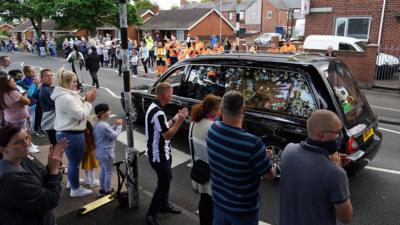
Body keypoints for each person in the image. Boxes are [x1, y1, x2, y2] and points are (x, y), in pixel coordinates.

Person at [207, 91, 276, 225]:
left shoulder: (213, 129)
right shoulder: (253, 144)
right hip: (243, 211)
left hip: (219, 203)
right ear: (244, 109)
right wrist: (267, 159)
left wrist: (258, 155)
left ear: (221, 109)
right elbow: (270, 175)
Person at [279, 109, 353, 225]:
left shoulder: (288, 151)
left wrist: (330, 164)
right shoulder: (335, 174)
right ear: (322, 136)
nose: (341, 136)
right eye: (338, 132)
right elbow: (345, 217)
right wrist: (337, 168)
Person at [0, 124, 68, 225]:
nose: (26, 144)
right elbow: (51, 200)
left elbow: (43, 176)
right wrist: (53, 171)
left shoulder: (22, 159)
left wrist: (52, 166)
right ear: (3, 149)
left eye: (26, 138)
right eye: (18, 142)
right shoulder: (11, 180)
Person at [145, 82, 189, 225]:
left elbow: (162, 127)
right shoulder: (158, 112)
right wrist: (181, 121)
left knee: (165, 180)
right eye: (171, 93)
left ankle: (164, 205)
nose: (172, 96)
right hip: (159, 155)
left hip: (163, 153)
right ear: (164, 95)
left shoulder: (156, 108)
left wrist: (175, 118)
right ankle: (151, 214)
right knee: (164, 183)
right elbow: (167, 135)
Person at [51, 68, 97, 197]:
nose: (77, 84)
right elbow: (81, 114)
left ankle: (72, 182)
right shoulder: (66, 97)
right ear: (66, 83)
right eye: (74, 81)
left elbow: (75, 106)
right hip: (71, 133)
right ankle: (75, 189)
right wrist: (89, 102)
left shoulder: (66, 95)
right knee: (74, 163)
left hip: (68, 132)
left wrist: (85, 99)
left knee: (73, 162)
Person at [189, 94, 222, 225]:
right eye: (220, 109)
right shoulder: (214, 128)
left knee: (204, 202)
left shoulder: (193, 122)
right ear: (214, 110)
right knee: (212, 208)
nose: (221, 112)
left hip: (200, 169)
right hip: (212, 175)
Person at [93, 103, 123, 196]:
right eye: (108, 110)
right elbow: (114, 135)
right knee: (109, 172)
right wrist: (119, 126)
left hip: (100, 152)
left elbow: (108, 131)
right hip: (107, 153)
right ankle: (108, 190)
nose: (110, 112)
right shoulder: (104, 125)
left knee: (103, 170)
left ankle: (102, 189)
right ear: (102, 114)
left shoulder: (98, 123)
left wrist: (114, 125)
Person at [38, 69, 57, 146]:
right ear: (41, 79)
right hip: (51, 120)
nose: (50, 77)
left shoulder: (48, 88)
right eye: (46, 76)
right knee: (56, 144)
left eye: (51, 75)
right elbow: (57, 104)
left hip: (52, 120)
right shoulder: (46, 90)